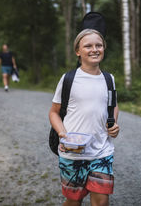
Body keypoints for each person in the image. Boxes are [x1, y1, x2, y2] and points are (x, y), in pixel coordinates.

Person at [49, 29, 120, 206]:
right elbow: (54, 112)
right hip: (73, 153)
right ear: (78, 51)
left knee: (101, 202)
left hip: (102, 151)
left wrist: (113, 123)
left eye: (99, 45)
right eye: (88, 46)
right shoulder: (69, 79)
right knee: (74, 200)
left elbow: (113, 106)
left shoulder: (109, 79)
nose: (94, 49)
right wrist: (62, 133)